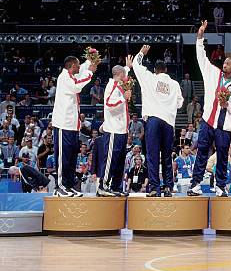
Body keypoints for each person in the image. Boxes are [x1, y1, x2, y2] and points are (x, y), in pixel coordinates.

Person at [189, 20, 231, 197]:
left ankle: (221, 186)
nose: (224, 64)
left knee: (222, 156)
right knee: (202, 153)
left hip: (225, 125)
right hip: (207, 121)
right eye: (224, 62)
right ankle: (195, 184)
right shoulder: (213, 73)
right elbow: (201, 57)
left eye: (228, 63)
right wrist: (200, 37)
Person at [127, 45, 183, 197]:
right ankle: (168, 187)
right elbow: (180, 103)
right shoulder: (175, 84)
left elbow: (137, 66)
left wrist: (141, 53)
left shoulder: (150, 78)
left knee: (152, 156)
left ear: (155, 71)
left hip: (153, 120)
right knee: (166, 156)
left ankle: (154, 188)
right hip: (168, 123)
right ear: (166, 70)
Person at [51, 55, 96, 197]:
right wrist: (90, 72)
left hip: (72, 126)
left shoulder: (71, 74)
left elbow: (81, 68)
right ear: (71, 66)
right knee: (63, 157)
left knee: (71, 157)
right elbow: (77, 87)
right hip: (63, 124)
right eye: (77, 65)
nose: (79, 67)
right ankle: (59, 187)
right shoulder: (64, 78)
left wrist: (90, 60)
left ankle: (69, 185)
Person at [97, 65, 131, 197]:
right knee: (110, 160)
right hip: (113, 130)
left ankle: (116, 186)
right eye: (124, 76)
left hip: (121, 130)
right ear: (120, 75)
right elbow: (109, 105)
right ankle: (103, 186)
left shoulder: (118, 85)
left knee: (119, 160)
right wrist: (124, 98)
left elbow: (123, 74)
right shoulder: (111, 86)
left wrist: (127, 67)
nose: (126, 79)